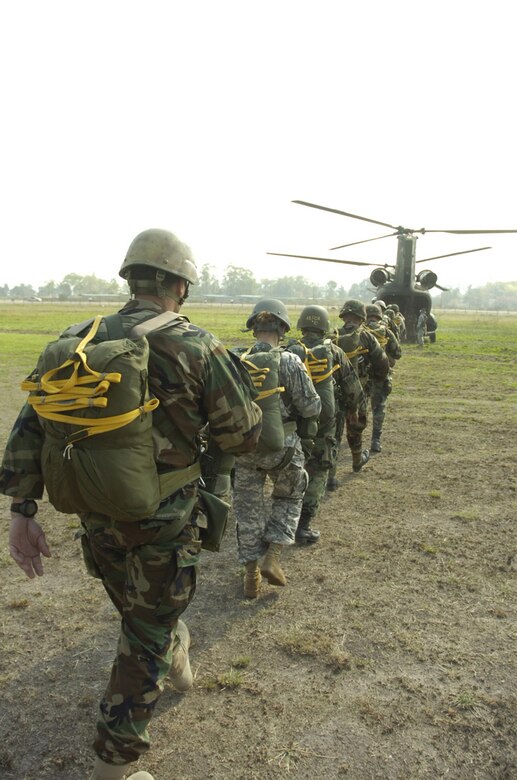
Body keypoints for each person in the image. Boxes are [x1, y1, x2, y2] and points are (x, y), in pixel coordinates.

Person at [1, 228, 262, 780]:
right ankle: (114, 767)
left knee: (145, 617)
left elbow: (32, 425)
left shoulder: (78, 338)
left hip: (97, 514)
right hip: (164, 519)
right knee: (144, 635)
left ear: (131, 278)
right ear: (179, 286)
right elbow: (241, 435)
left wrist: (22, 511)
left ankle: (177, 651)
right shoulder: (197, 345)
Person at [232, 299, 321, 597]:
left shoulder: (235, 359)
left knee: (248, 510)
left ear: (253, 327)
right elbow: (310, 406)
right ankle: (273, 558)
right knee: (290, 495)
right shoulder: (290, 361)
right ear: (282, 329)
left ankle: (250, 575)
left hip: (244, 447)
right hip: (283, 447)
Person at [286, 305, 365, 542]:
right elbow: (353, 391)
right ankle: (304, 525)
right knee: (319, 468)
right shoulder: (334, 352)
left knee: (291, 468)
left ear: (301, 325)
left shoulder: (289, 350)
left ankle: (285, 517)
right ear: (324, 327)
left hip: (294, 423)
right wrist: (354, 412)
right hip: (324, 423)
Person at [327, 299, 389, 490]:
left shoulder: (331, 336)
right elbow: (382, 363)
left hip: (335, 393)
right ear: (361, 318)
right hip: (359, 392)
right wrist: (377, 380)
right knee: (355, 428)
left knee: (333, 434)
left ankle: (331, 476)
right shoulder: (367, 337)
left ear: (344, 316)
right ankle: (356, 461)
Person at [365, 303, 402, 452]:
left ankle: (355, 436)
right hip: (381, 376)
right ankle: (375, 440)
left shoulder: (359, 332)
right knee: (379, 408)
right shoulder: (385, 331)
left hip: (361, 377)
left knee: (357, 408)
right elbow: (398, 353)